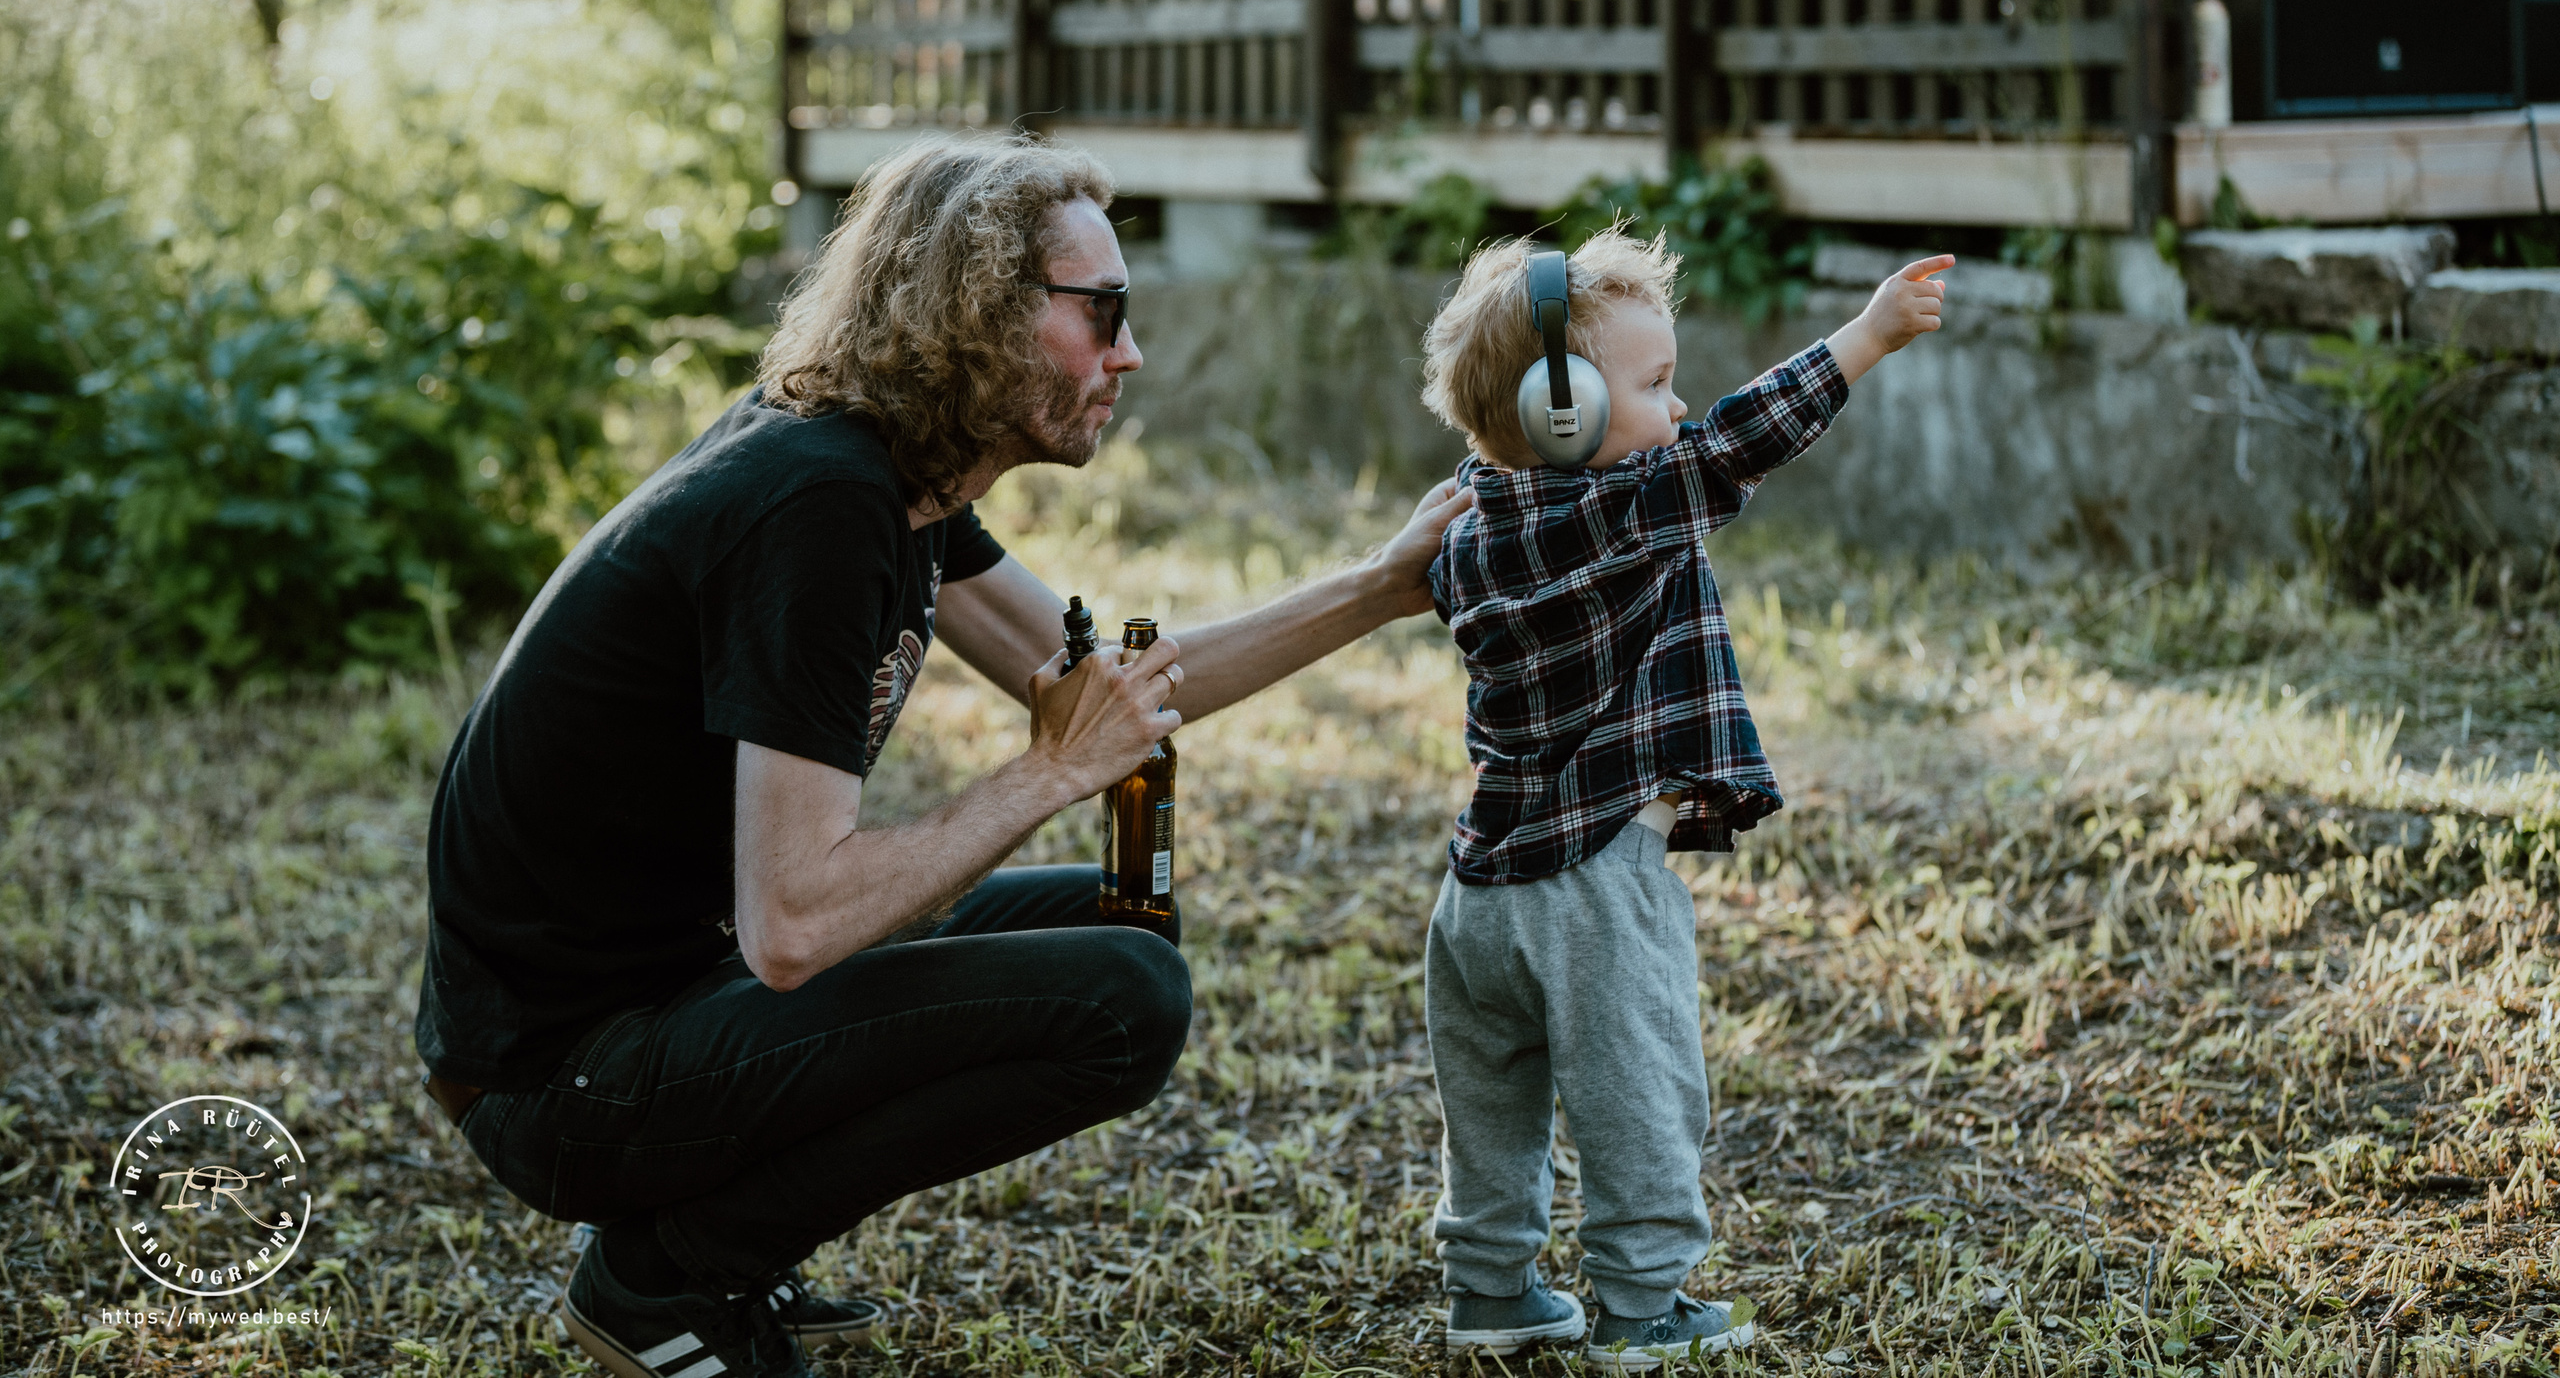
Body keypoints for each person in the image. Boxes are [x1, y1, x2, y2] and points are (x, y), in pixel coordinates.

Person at [412, 137, 1472, 1378]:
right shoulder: (816, 505)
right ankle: (664, 1277)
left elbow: (1114, 684)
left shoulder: (888, 478)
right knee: (1120, 1005)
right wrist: (1047, 774)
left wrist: (1379, 587)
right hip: (562, 1082)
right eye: (1103, 313)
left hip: (662, 1005)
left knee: (1121, 922)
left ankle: (689, 1246)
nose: (1128, 352)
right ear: (979, 315)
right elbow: (795, 923)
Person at [1414, 230, 1951, 1370]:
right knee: (1639, 1092)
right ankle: (1643, 1305)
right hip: (1597, 887)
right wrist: (1867, 335)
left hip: (1474, 898)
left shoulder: (1462, 530)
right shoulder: (1620, 507)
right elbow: (1740, 440)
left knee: (1490, 1109)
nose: (1678, 407)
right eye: (1655, 386)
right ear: (1559, 410)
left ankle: (1491, 1289)